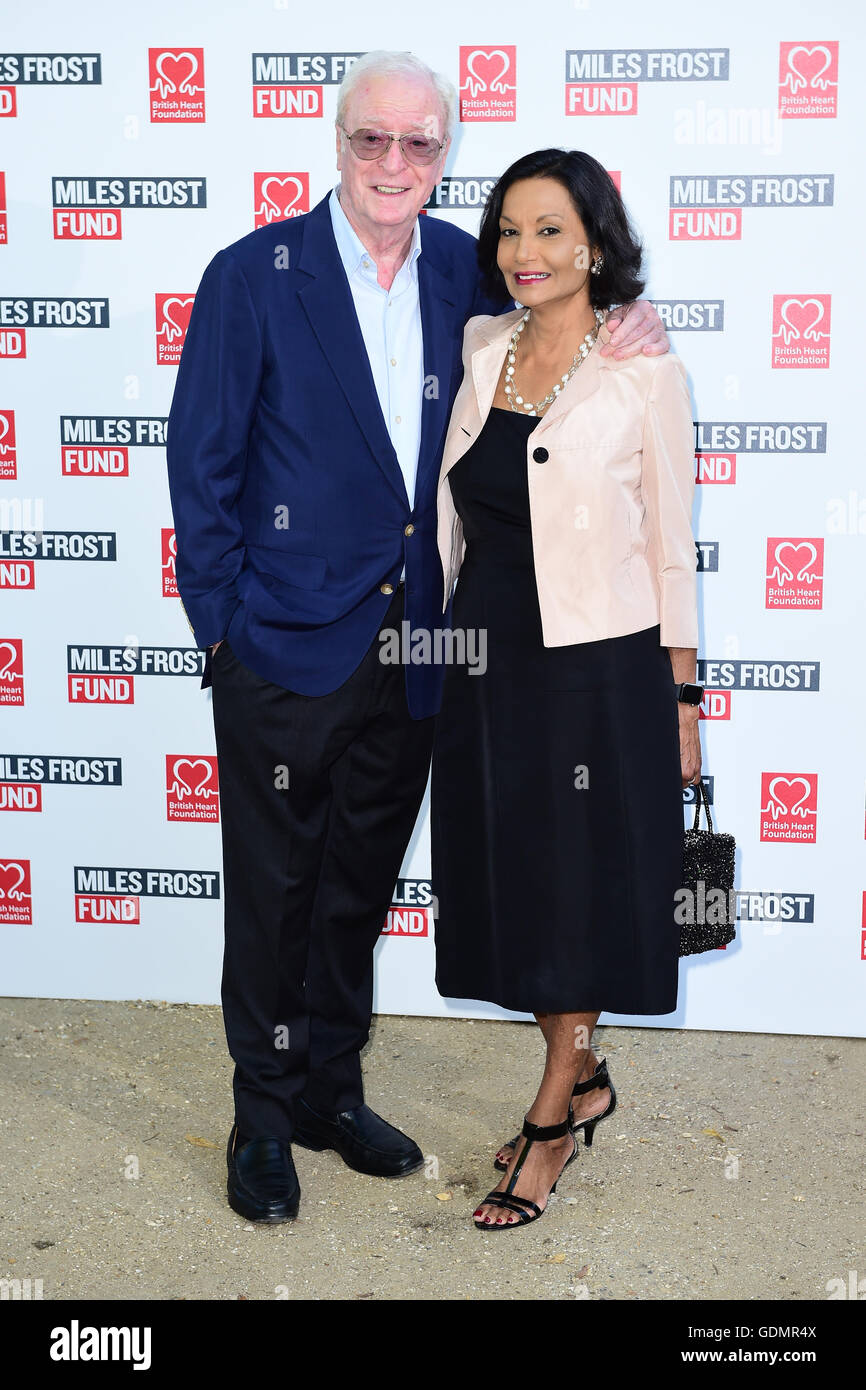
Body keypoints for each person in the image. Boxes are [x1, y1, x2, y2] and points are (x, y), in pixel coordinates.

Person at [166, 52, 670, 1225]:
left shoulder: (468, 267)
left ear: (446, 153)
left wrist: (627, 326)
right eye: (370, 139)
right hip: (281, 646)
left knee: (355, 886)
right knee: (272, 891)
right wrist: (224, 630)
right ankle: (262, 1111)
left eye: (420, 144)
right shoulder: (253, 275)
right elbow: (203, 469)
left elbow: (569, 340)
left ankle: (331, 1088)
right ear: (335, 142)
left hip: (426, 647)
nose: (394, 163)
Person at [431, 148, 703, 1231]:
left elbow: (672, 545)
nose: (523, 253)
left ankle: (553, 1114)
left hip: (597, 666)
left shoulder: (644, 368)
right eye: (507, 230)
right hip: (485, 656)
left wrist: (682, 702)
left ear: (593, 239)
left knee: (580, 887)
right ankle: (579, 1075)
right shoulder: (480, 342)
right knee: (519, 883)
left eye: (548, 230)